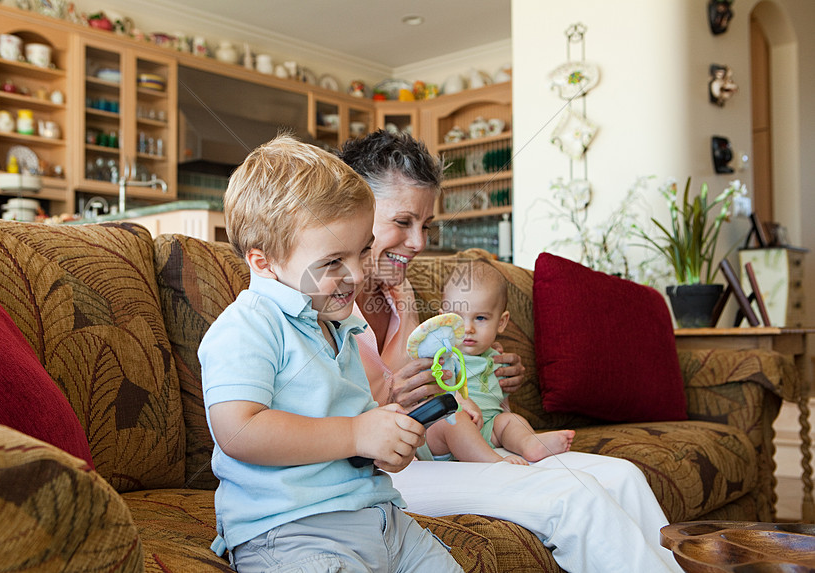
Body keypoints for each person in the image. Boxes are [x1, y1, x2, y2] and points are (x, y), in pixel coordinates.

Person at [338, 129, 683, 572]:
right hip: (381, 473)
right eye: (403, 223)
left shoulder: (401, 291)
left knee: (623, 477)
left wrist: (486, 370)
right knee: (573, 499)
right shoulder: (320, 296)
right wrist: (391, 400)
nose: (419, 243)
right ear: (354, 207)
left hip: (439, 452)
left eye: (425, 225)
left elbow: (448, 375)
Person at [198, 135, 462, 572]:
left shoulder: (338, 323)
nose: (357, 274)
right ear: (263, 262)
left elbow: (354, 425)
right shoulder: (247, 326)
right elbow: (238, 431)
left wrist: (384, 444)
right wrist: (355, 434)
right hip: (291, 532)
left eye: (360, 252)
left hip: (380, 519)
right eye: (333, 262)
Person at [423, 259, 574, 465]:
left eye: (481, 318)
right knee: (456, 420)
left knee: (513, 420)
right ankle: (494, 462)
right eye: (458, 317)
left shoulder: (497, 360)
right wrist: (458, 399)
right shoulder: (441, 356)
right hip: (445, 434)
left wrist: (508, 423)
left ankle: (529, 444)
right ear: (443, 320)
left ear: (501, 322)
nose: (468, 328)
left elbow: (502, 404)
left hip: (487, 428)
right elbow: (429, 390)